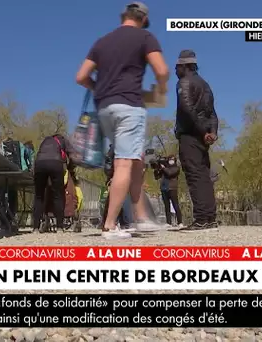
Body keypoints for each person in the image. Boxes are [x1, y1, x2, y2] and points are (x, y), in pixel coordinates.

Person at [75, 2, 169, 239]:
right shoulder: (145, 37)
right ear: (143, 20)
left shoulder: (102, 41)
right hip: (129, 106)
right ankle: (109, 225)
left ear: (123, 17)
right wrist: (161, 90)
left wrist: (99, 89)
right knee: (124, 165)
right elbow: (161, 70)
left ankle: (141, 217)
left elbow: (81, 76)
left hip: (105, 108)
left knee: (135, 160)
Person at [174, 50, 219, 232]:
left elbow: (187, 108)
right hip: (202, 138)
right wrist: (212, 132)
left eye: (177, 67)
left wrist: (202, 131)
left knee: (194, 176)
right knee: (204, 176)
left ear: (185, 66)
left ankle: (201, 219)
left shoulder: (184, 82)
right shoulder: (205, 85)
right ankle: (210, 218)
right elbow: (213, 113)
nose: (175, 70)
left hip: (190, 135)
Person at [33, 134, 75, 232]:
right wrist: (70, 168)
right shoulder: (63, 140)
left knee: (39, 196)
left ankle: (35, 227)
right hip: (56, 163)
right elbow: (73, 156)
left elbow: (38, 154)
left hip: (39, 163)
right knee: (58, 195)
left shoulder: (45, 140)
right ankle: (60, 227)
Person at [101, 145, 132, 230]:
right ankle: (117, 223)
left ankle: (121, 223)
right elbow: (108, 162)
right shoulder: (116, 147)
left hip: (122, 177)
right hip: (116, 177)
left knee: (118, 199)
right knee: (116, 199)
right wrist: (111, 175)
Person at [153, 155, 183, 227]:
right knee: (167, 206)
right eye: (169, 159)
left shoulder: (176, 168)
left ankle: (180, 222)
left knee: (175, 205)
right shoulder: (165, 168)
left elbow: (170, 173)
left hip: (172, 188)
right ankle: (168, 222)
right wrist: (157, 169)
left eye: (172, 159)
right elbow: (157, 177)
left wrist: (163, 168)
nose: (170, 160)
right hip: (164, 188)